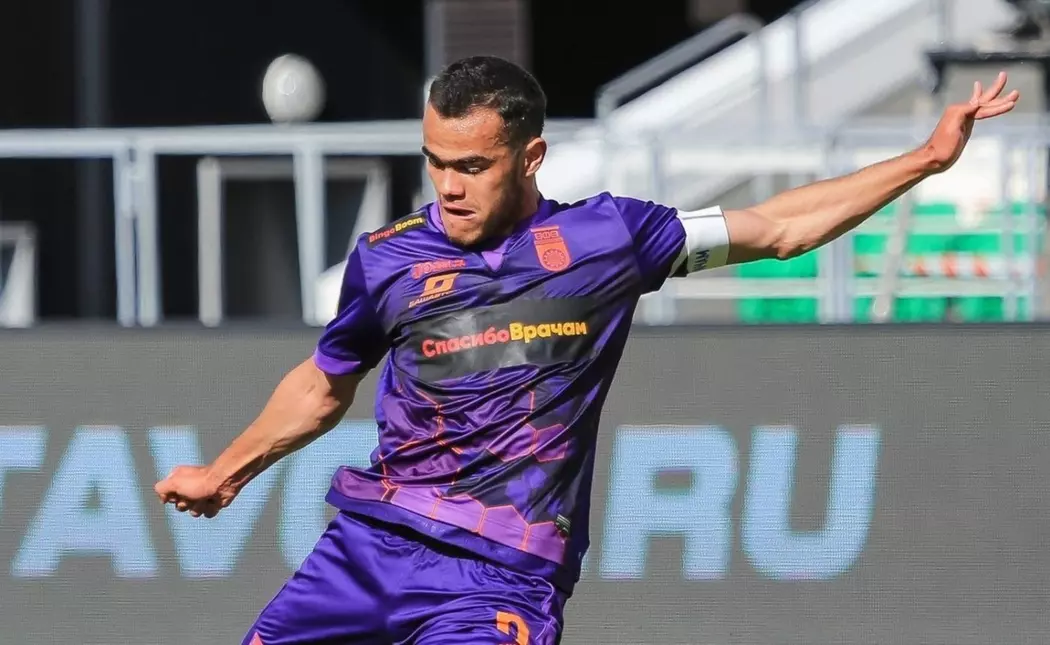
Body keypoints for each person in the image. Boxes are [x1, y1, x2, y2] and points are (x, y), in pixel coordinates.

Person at [154, 56, 1018, 644]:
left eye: (472, 165)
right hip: (369, 549)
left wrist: (924, 159)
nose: (448, 186)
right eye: (435, 162)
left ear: (530, 156)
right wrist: (225, 471)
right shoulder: (388, 259)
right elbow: (322, 385)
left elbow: (780, 227)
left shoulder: (610, 239)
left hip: (501, 575)